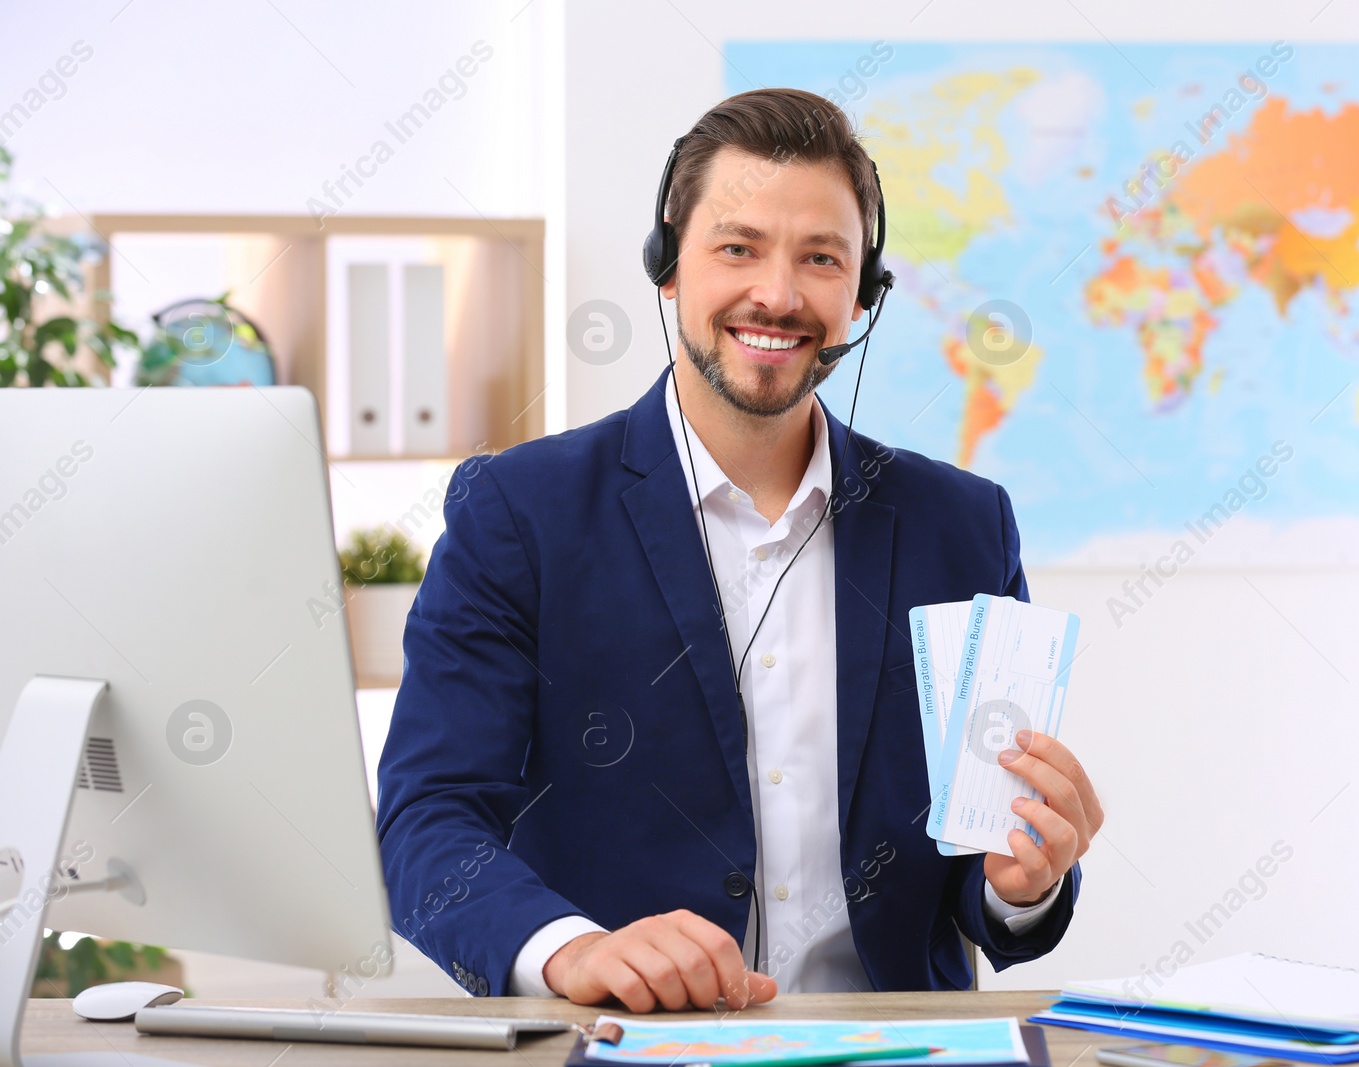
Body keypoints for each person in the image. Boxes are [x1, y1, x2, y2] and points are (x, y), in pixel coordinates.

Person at [375, 87, 1103, 1014]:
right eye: (738, 247)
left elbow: (981, 867)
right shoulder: (520, 512)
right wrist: (573, 951)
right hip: (630, 1039)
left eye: (821, 258)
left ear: (862, 294)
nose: (780, 293)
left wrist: (1021, 879)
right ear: (667, 266)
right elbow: (426, 821)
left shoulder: (962, 525)